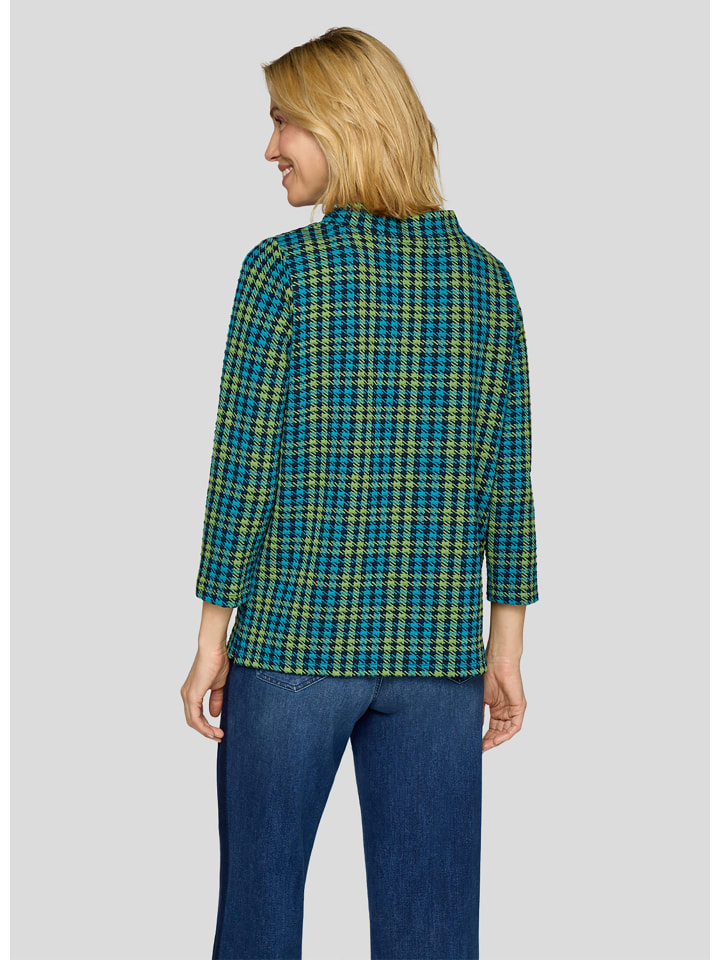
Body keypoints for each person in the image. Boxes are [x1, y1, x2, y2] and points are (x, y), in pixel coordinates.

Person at [180, 25, 539, 960]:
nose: (269, 148)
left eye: (283, 122)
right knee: (433, 938)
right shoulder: (488, 283)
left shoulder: (283, 272)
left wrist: (211, 640)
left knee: (257, 922)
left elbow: (241, 470)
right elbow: (509, 483)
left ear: (342, 123)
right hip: (438, 659)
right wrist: (504, 649)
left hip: (293, 649)